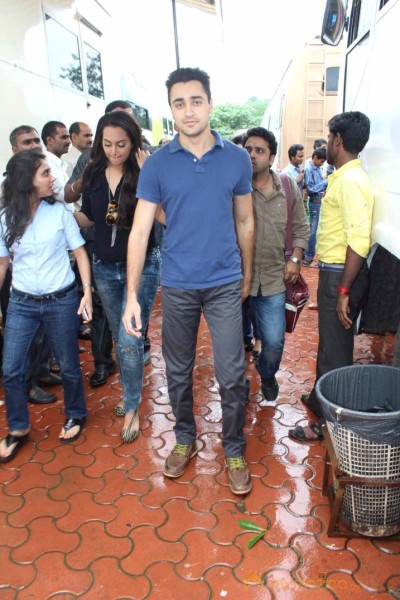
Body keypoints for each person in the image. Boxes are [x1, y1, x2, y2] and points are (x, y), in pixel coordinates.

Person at [122, 67, 254, 495]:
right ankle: (184, 439)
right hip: (177, 283)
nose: (188, 110)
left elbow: (246, 220)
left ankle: (233, 447)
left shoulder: (236, 158)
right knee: (177, 372)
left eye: (196, 100)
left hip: (223, 282)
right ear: (171, 110)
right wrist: (131, 297)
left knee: (232, 373)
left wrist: (246, 275)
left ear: (210, 103)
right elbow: (140, 231)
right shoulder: (158, 164)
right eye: (179, 103)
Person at [0, 150, 92, 462]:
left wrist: (87, 293)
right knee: (11, 369)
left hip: (60, 300)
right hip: (22, 303)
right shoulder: (5, 218)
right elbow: (2, 265)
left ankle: (76, 414)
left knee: (68, 364)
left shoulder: (60, 213)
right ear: (27, 181)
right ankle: (18, 427)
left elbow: (79, 252)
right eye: (45, 173)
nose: (52, 178)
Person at [74, 111, 161, 443]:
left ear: (133, 142)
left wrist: (150, 170)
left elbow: (164, 216)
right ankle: (129, 392)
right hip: (104, 267)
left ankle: (134, 406)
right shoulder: (94, 173)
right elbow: (88, 215)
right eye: (107, 144)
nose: (114, 151)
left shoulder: (144, 172)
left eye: (121, 144)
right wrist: (62, 218)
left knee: (129, 338)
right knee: (120, 334)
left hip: (144, 265)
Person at [289, 111, 373, 442]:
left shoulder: (351, 182)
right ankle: (318, 397)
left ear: (338, 140)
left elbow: (359, 240)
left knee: (336, 356)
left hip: (342, 274)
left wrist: (343, 290)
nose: (327, 143)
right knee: (328, 346)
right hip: (336, 272)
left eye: (328, 137)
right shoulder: (344, 177)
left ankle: (327, 426)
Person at [244, 127, 309, 401]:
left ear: (271, 157)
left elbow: (302, 228)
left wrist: (295, 258)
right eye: (247, 150)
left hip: (273, 280)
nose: (252, 155)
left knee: (273, 342)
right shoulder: (235, 187)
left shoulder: (286, 185)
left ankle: (267, 375)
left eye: (259, 151)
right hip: (235, 280)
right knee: (233, 344)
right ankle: (239, 388)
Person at [303, 147, 328, 266]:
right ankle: (308, 256)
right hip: (314, 202)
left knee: (315, 230)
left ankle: (308, 255)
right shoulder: (309, 169)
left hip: (318, 202)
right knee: (312, 231)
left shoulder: (317, 168)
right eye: (321, 161)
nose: (322, 164)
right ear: (315, 158)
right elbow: (311, 189)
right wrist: (326, 183)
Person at [41, 121, 71, 205]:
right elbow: (65, 197)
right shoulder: (46, 164)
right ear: (49, 140)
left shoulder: (60, 164)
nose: (69, 141)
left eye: (68, 137)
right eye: (64, 137)